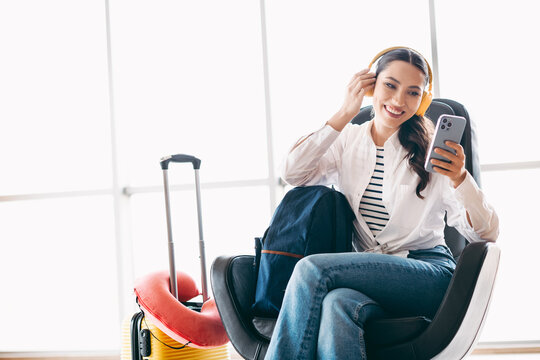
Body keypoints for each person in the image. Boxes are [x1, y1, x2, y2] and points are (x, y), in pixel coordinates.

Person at [264, 47, 499, 360]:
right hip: (368, 277)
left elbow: (486, 235)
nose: (399, 101)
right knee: (337, 305)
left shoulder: (433, 155)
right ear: (370, 86)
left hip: (427, 273)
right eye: (390, 85)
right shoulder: (347, 140)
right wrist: (344, 112)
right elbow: (293, 172)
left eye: (412, 92)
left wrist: (460, 178)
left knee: (312, 269)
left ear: (422, 101)